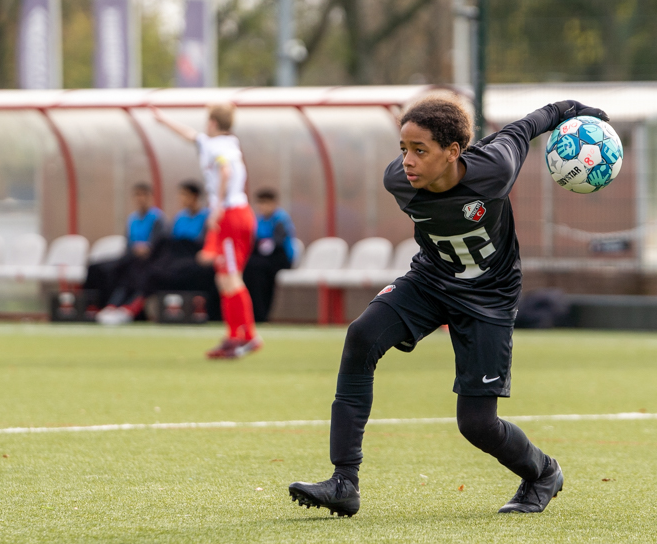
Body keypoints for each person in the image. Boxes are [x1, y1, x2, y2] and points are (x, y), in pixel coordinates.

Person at [288, 95, 610, 516]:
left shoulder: (496, 167)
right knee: (361, 336)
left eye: (420, 151)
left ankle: (542, 472)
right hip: (430, 280)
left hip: (489, 298)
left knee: (476, 424)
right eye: (403, 149)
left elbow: (534, 122)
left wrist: (578, 111)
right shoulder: (398, 180)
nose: (407, 161)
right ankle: (344, 481)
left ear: (453, 152)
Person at [153, 104, 261, 359]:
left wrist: (217, 207)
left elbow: (225, 170)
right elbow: (190, 135)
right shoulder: (219, 142)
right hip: (235, 214)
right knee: (223, 278)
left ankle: (249, 336)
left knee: (232, 277)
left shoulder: (219, 147)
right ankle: (233, 336)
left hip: (231, 214)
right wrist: (163, 119)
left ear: (212, 122)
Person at [97, 180, 212, 324]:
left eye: (184, 195)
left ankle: (129, 309)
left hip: (190, 258)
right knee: (116, 269)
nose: (181, 199)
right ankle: (111, 306)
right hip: (165, 258)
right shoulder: (178, 217)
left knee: (151, 272)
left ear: (195, 196)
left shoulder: (206, 217)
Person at [85, 183, 166, 316]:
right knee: (96, 268)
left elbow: (159, 244)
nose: (140, 198)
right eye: (137, 195)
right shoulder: (132, 219)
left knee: (130, 274)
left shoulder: (157, 219)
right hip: (130, 256)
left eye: (143, 195)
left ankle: (121, 307)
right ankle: (93, 307)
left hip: (149, 260)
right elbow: (127, 242)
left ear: (150, 197)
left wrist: (146, 249)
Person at [243, 188, 296, 322]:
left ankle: (261, 314)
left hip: (280, 259)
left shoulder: (281, 219)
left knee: (258, 269)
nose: (262, 207)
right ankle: (253, 312)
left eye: (265, 203)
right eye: (260, 203)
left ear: (273, 204)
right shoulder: (258, 220)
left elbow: (277, 243)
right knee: (249, 267)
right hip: (263, 259)